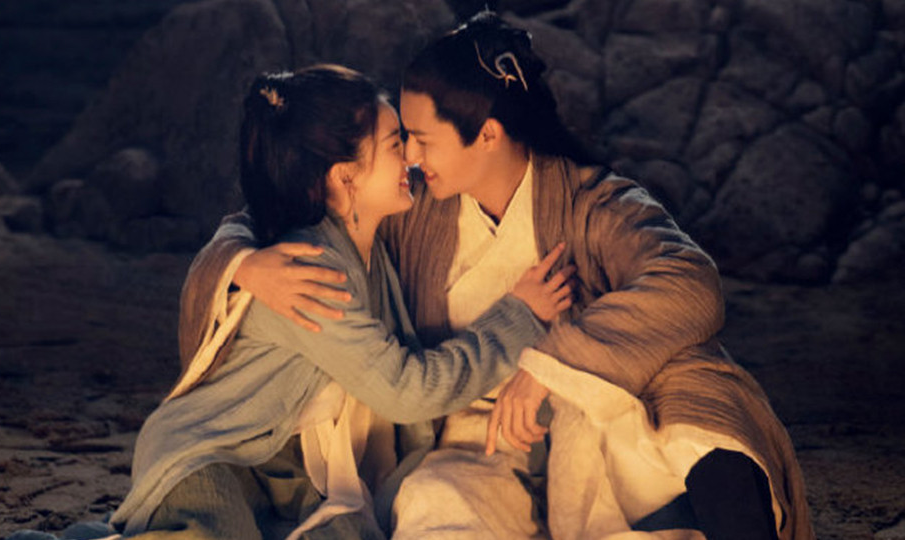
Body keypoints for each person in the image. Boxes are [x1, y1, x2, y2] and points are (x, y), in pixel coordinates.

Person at [202, 13, 814, 540]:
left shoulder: (589, 204)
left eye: (421, 139)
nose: (409, 156)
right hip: (476, 443)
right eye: (404, 140)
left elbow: (689, 281)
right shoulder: (414, 211)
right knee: (433, 504)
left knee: (697, 429)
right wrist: (241, 263)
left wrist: (549, 366)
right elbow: (285, 208)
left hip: (587, 423)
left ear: (487, 134)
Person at [108, 64, 574, 539]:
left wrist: (238, 260)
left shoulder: (365, 235)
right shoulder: (309, 271)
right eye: (395, 145)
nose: (412, 157)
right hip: (214, 455)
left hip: (288, 468)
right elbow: (405, 390)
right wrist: (518, 316)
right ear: (345, 175)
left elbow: (252, 216)